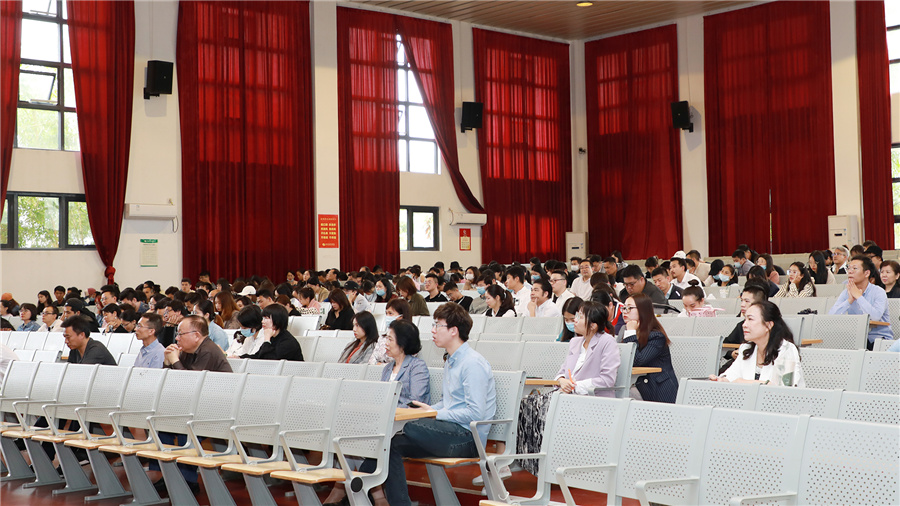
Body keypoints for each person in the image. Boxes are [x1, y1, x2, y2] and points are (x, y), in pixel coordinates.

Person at [358, 302, 496, 506]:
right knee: (391, 444)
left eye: (438, 325)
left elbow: (475, 413)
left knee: (406, 426)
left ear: (453, 331)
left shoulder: (472, 363)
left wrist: (433, 413)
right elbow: (448, 403)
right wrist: (429, 411)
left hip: (467, 438)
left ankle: (357, 484)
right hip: (450, 430)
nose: (433, 330)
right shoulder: (452, 361)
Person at [516, 301, 620, 475]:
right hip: (567, 396)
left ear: (593, 325)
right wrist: (561, 381)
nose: (575, 320)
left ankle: (545, 464)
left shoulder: (607, 342)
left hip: (592, 400)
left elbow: (608, 379)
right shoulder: (575, 342)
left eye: (580, 317)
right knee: (526, 405)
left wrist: (574, 385)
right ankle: (532, 461)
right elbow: (561, 372)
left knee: (539, 409)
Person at [711, 301, 805, 387]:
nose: (744, 325)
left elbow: (783, 388)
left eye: (750, 319)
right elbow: (731, 376)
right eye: (745, 319)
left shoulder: (787, 349)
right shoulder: (746, 348)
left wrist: (742, 382)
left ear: (769, 325)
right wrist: (721, 380)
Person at [621, 293, 678, 403]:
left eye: (630, 308)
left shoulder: (656, 336)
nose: (625, 311)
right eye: (624, 308)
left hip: (658, 389)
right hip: (638, 385)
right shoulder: (625, 331)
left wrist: (630, 332)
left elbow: (637, 360)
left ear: (643, 310)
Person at [828, 255, 893, 349]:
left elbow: (875, 317)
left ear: (866, 273)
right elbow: (831, 316)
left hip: (878, 339)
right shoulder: (846, 292)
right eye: (849, 268)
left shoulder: (878, 292)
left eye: (855, 268)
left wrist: (859, 297)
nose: (850, 271)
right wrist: (849, 300)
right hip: (856, 338)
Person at [720, 283, 769, 373]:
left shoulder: (771, 325)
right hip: (740, 363)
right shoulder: (741, 325)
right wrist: (732, 353)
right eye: (741, 300)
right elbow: (726, 345)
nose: (742, 305)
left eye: (747, 301)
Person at [164, 315, 232, 372]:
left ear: (196, 336)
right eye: (177, 334)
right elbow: (171, 380)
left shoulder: (208, 351)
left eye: (180, 334)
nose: (176, 338)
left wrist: (175, 361)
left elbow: (191, 381)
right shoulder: (188, 349)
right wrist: (167, 362)